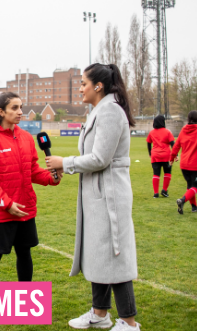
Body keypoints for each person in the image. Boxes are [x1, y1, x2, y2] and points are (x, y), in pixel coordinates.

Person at [46, 63, 140, 331]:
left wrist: (65, 162)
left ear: (98, 86)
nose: (80, 88)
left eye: (83, 83)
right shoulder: (101, 110)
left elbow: (100, 158)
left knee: (115, 254)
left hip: (109, 193)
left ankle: (129, 322)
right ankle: (100, 314)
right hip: (97, 193)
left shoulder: (110, 111)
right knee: (100, 253)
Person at [0, 91, 61, 282]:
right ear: (1, 112)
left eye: (21, 107)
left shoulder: (26, 138)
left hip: (25, 210)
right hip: (1, 212)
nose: (20, 111)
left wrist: (51, 177)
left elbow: (32, 170)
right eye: (15, 108)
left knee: (24, 253)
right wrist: (7, 204)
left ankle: (25, 300)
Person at [169, 110, 197, 214]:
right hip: (195, 164)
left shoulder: (183, 130)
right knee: (196, 186)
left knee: (190, 185)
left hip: (184, 164)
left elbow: (176, 145)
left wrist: (172, 158)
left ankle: (194, 207)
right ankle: (182, 201)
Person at [146, 115, 175, 198]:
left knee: (156, 174)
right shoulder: (167, 132)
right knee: (167, 172)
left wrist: (150, 153)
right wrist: (175, 154)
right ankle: (164, 190)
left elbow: (148, 143)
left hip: (155, 155)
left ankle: (156, 193)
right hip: (166, 155)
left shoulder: (152, 132)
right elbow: (173, 143)